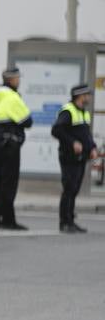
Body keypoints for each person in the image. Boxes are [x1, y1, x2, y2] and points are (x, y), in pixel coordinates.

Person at [0, 66, 33, 230]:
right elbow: (27, 121)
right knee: (9, 182)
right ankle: (8, 220)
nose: (19, 81)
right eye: (18, 78)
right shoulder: (12, 97)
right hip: (11, 145)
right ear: (12, 79)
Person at [52, 84, 97, 234]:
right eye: (87, 95)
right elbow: (56, 130)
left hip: (81, 157)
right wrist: (72, 142)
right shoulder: (68, 111)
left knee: (75, 189)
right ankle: (64, 222)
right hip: (68, 157)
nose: (89, 97)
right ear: (80, 96)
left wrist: (92, 148)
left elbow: (86, 135)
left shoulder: (84, 112)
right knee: (69, 189)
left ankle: (70, 220)